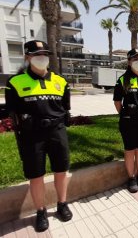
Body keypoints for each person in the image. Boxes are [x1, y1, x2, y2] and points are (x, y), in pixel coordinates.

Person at [5, 40, 72, 232]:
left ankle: (62, 204)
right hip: (31, 136)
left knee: (61, 170)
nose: (42, 58)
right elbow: (12, 112)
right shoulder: (15, 83)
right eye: (37, 54)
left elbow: (65, 108)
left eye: (45, 54)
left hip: (57, 133)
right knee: (36, 176)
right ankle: (41, 212)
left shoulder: (61, 81)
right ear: (28, 57)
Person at [113, 49, 138, 193]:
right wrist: (125, 115)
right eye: (135, 59)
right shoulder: (123, 80)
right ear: (129, 61)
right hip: (128, 121)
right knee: (130, 150)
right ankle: (131, 178)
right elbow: (117, 102)